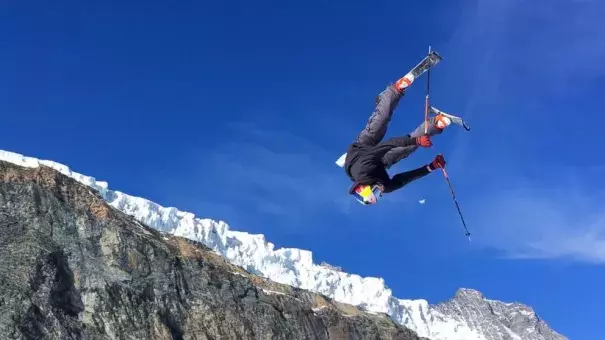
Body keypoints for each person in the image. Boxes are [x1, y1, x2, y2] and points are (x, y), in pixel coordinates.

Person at [342, 73, 460, 205]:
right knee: (405, 150)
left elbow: (387, 145)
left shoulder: (363, 169)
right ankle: (434, 124)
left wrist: (417, 140)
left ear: (368, 188)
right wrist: (431, 167)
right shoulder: (385, 187)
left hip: (363, 146)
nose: (380, 192)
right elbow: (404, 179)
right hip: (379, 163)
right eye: (379, 196)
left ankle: (393, 91)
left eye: (375, 192)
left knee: (381, 121)